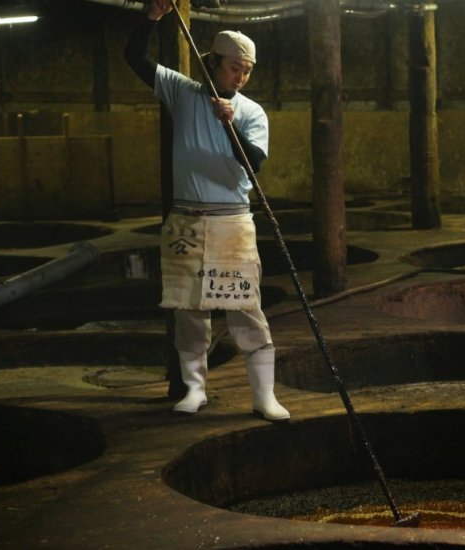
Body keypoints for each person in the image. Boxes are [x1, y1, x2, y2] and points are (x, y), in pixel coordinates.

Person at [124, 0, 289, 420]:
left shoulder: (250, 112)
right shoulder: (180, 91)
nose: (240, 75)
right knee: (190, 308)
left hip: (232, 218)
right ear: (212, 63)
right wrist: (152, 18)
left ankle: (263, 396)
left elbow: (251, 163)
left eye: (246, 69)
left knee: (245, 307)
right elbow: (134, 58)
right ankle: (195, 389)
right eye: (234, 67)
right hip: (187, 218)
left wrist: (228, 123)